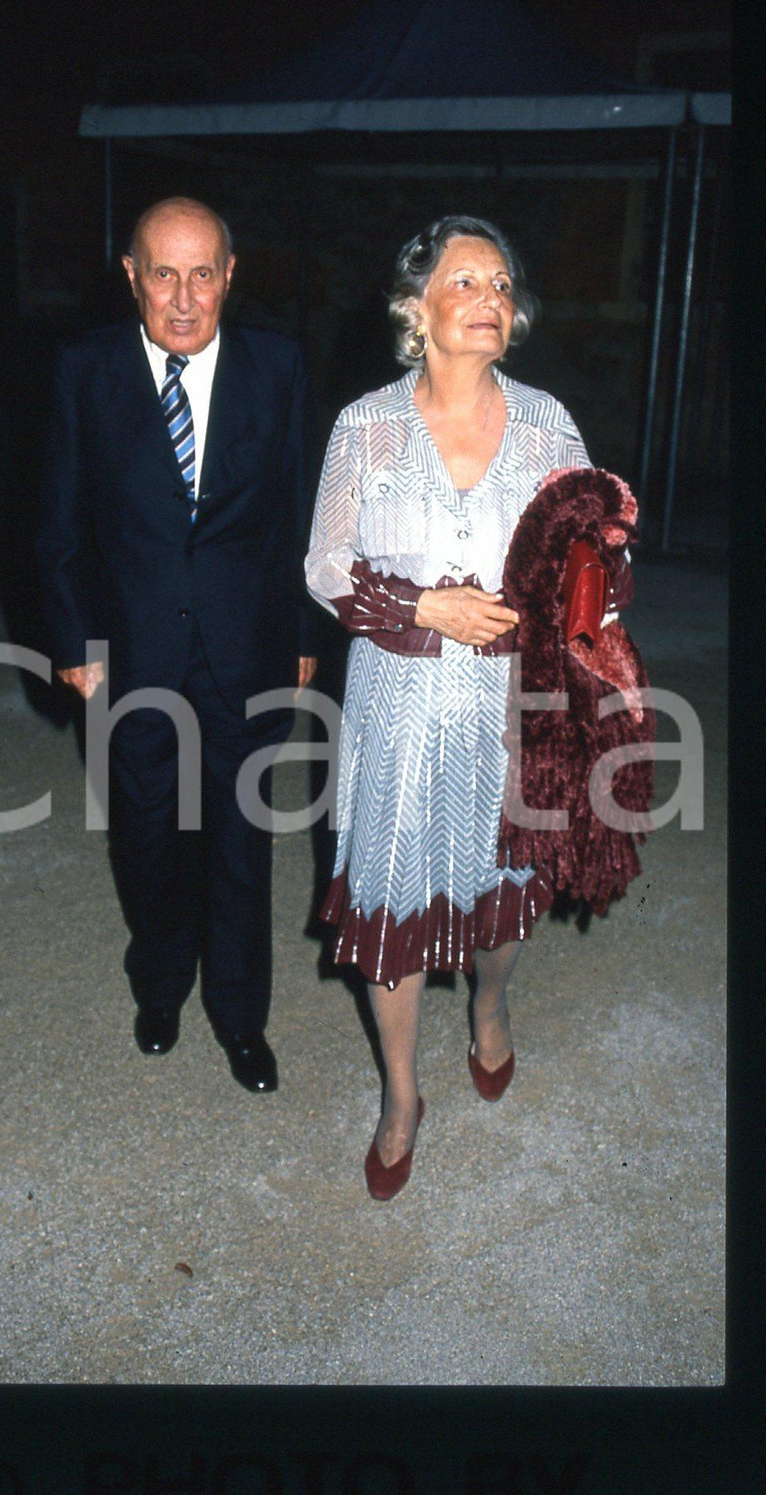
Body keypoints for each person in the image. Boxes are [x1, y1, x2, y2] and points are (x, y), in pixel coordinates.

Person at [305, 214, 632, 1197]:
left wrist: (587, 582)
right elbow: (323, 565)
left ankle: (490, 1005)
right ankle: (401, 1092)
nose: (488, 298)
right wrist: (419, 605)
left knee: (501, 892)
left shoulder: (545, 424)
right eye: (463, 283)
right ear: (416, 308)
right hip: (396, 704)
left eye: (499, 283)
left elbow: (597, 556)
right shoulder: (364, 426)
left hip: (511, 704)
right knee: (392, 897)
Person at [37, 197, 316, 1093]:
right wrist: (77, 644)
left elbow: (302, 516)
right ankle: (159, 986)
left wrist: (305, 633)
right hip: (129, 655)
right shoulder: (83, 370)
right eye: (164, 273)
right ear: (131, 274)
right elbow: (56, 527)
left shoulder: (279, 368)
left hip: (246, 647)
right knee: (149, 836)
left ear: (231, 275)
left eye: (204, 274)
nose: (185, 298)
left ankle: (240, 1017)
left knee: (240, 840)